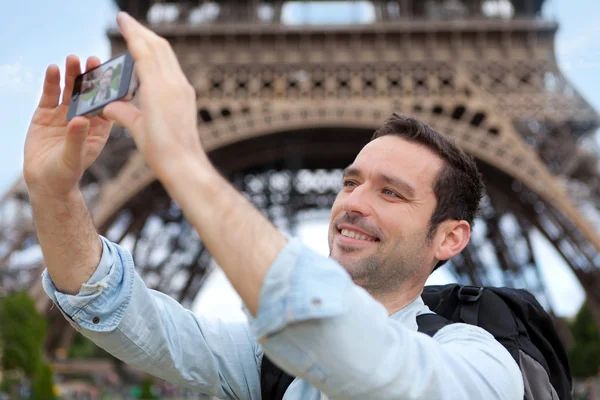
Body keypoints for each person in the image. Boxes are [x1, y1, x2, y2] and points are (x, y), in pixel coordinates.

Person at [24, 12, 524, 400]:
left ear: (450, 237)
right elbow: (121, 311)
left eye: (390, 192)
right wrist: (54, 195)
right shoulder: (266, 359)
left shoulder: (483, 363)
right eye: (351, 183)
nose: (354, 203)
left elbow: (377, 369)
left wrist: (182, 161)